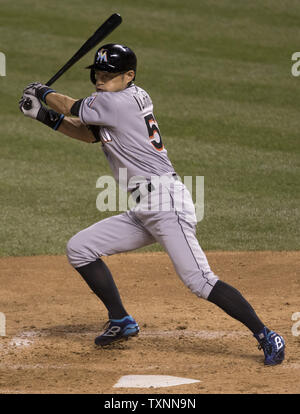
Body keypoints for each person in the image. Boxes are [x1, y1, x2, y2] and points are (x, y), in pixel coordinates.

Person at [19, 44, 285, 365]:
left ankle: (266, 334)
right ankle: (121, 321)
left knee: (199, 281)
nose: (101, 81)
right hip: (145, 207)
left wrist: (44, 92)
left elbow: (75, 107)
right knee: (80, 248)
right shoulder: (121, 100)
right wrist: (43, 115)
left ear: (128, 76)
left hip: (165, 202)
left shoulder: (117, 102)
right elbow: (90, 134)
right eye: (98, 75)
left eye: (109, 76)